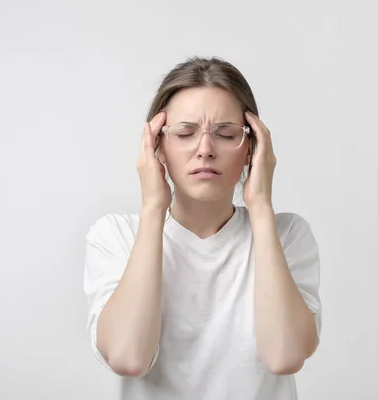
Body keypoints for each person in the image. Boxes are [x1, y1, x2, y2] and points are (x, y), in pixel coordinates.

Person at [83, 56, 322, 400]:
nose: (205, 150)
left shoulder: (287, 234)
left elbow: (284, 356)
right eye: (184, 133)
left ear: (252, 146)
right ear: (157, 146)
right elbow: (128, 357)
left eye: (226, 134)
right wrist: (153, 209)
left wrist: (261, 207)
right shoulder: (116, 236)